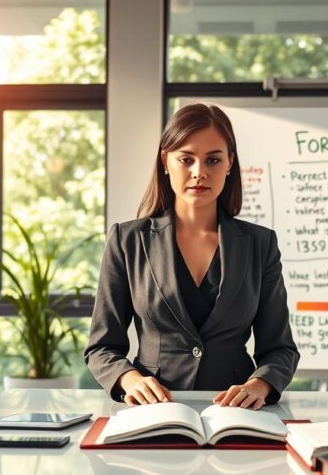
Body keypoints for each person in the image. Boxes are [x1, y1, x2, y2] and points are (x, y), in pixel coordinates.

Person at [84, 103, 299, 409]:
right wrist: (129, 379)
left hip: (237, 415)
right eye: (186, 159)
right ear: (165, 161)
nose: (200, 172)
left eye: (213, 159)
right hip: (153, 412)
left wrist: (259, 385)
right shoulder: (126, 240)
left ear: (229, 163)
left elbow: (280, 349)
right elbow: (102, 347)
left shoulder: (260, 244)